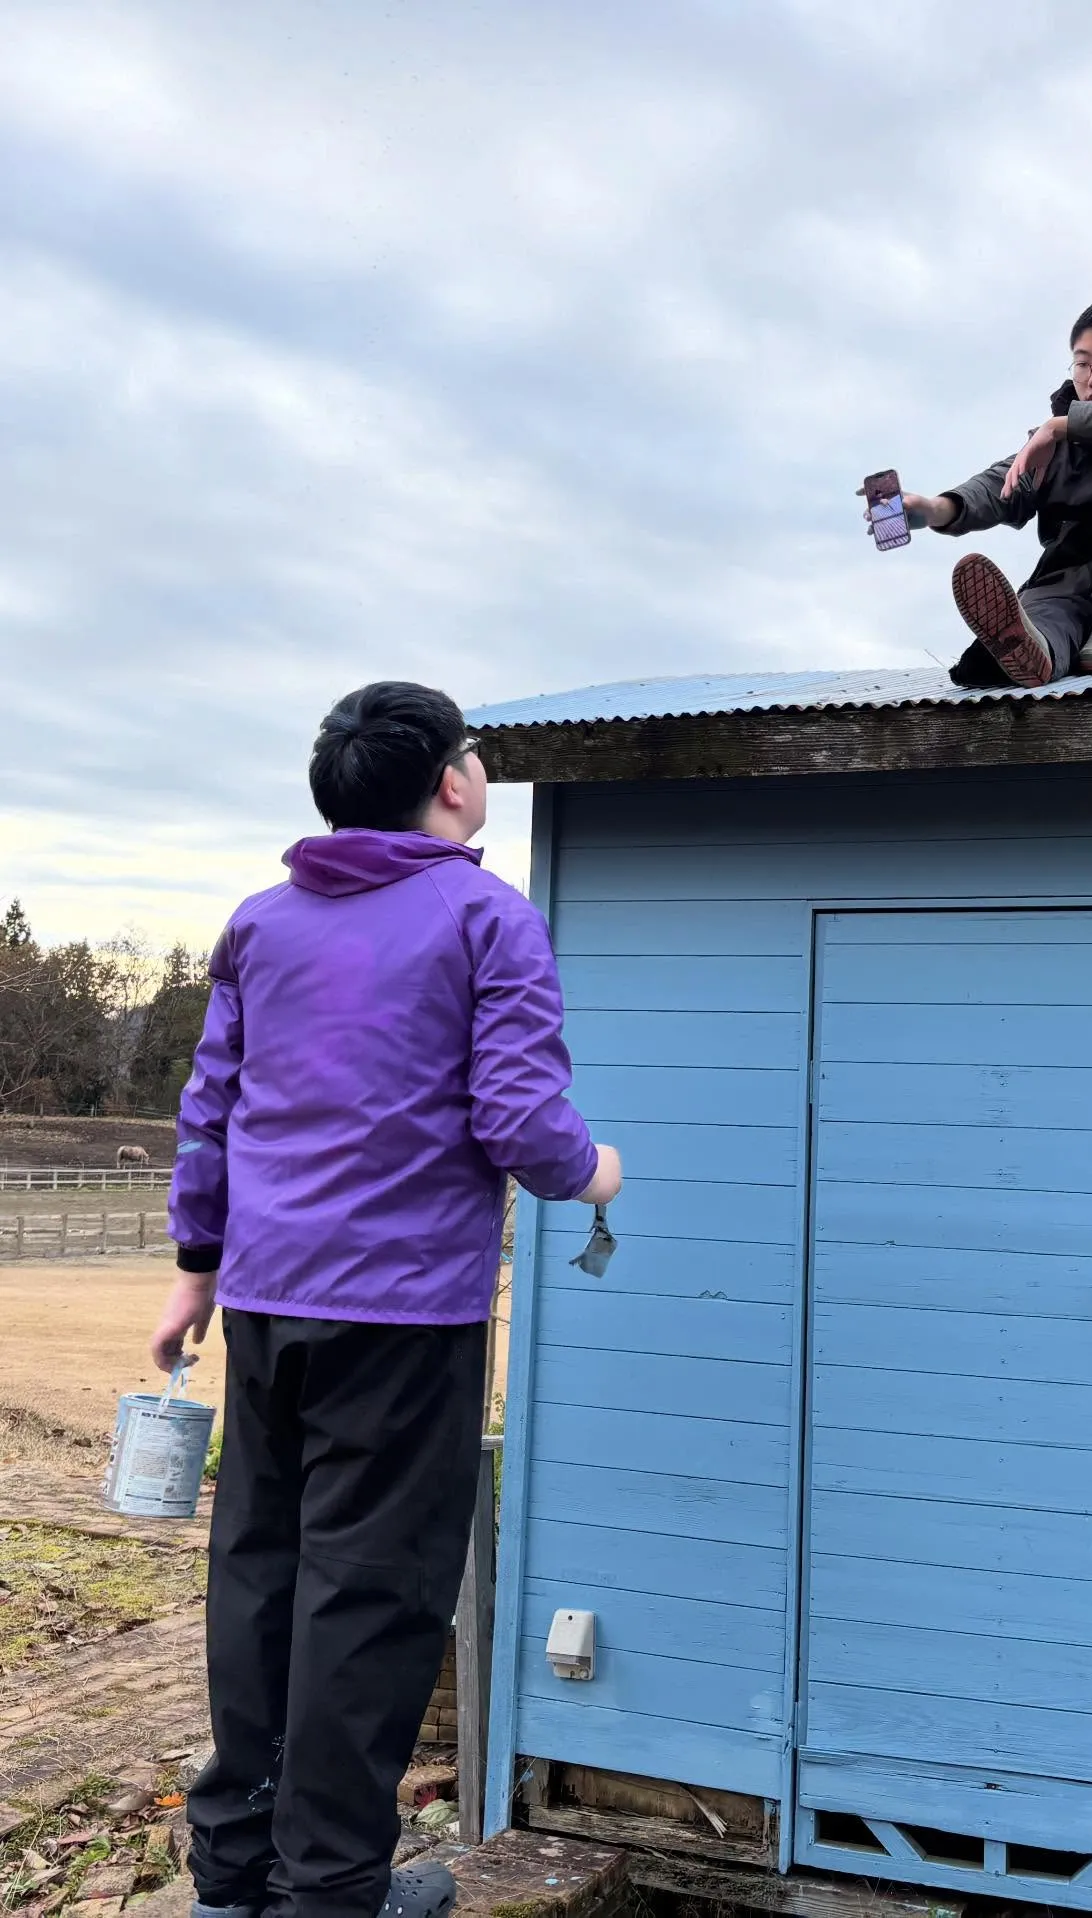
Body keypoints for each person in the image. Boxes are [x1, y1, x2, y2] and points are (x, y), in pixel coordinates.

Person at [150, 682, 621, 1918]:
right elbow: (520, 1122)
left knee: (260, 1571)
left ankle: (232, 1880)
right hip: (406, 1317)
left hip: (266, 1304)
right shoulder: (487, 917)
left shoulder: (261, 923)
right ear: (454, 785)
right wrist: (594, 1170)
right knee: (373, 1594)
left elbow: (213, 1107)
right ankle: (333, 1891)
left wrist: (197, 1265)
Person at [873, 293, 1092, 688]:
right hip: (1072, 591)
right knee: (1042, 614)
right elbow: (1001, 482)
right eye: (1082, 363)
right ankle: (1034, 651)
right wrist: (935, 508)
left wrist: (1057, 425)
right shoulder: (1052, 451)